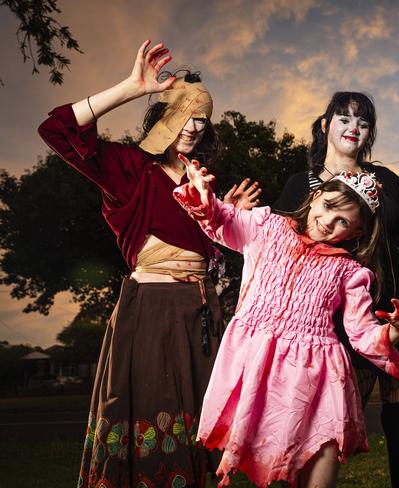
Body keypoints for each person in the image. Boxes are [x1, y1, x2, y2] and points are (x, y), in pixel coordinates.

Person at [38, 40, 259, 487]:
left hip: (201, 317)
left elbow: (212, 262)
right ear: (164, 114)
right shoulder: (132, 169)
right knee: (151, 423)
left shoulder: (205, 186)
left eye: (203, 118)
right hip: (151, 311)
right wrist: (132, 87)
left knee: (203, 431)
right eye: (187, 113)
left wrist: (225, 221)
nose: (195, 126)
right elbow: (57, 130)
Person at [174, 156, 399, 488]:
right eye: (325, 207)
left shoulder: (351, 272)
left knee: (320, 455)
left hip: (317, 375)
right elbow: (221, 220)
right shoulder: (266, 228)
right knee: (270, 458)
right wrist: (202, 193)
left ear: (357, 232)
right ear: (314, 198)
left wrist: (394, 331)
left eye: (342, 221)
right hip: (260, 365)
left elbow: (361, 334)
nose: (327, 222)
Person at [273, 91, 399, 488]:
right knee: (327, 430)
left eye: (363, 122)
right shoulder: (301, 185)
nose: (354, 128)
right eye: (345, 119)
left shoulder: (383, 179)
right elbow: (281, 251)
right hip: (338, 328)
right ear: (325, 125)